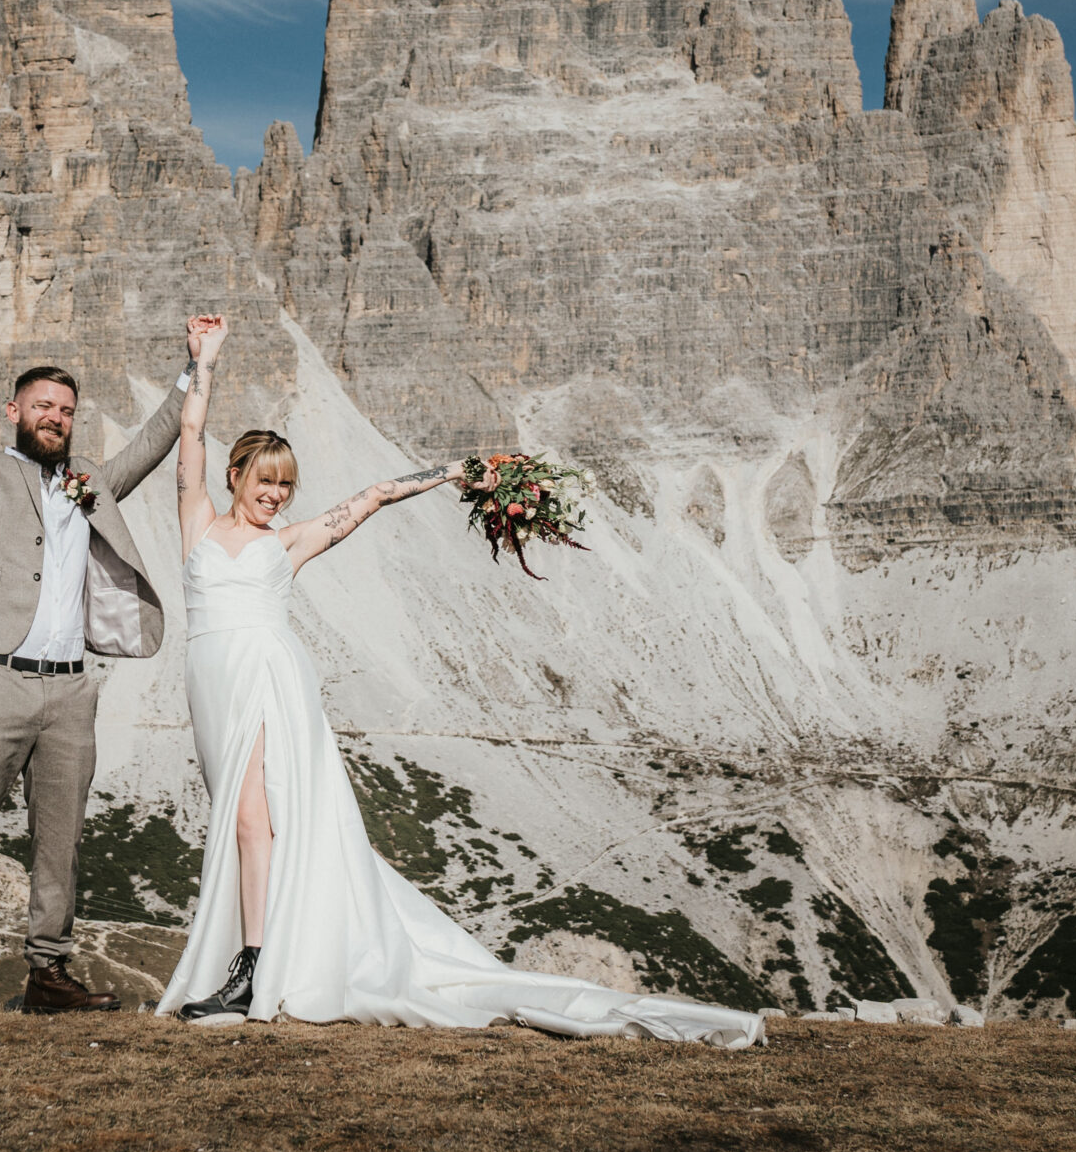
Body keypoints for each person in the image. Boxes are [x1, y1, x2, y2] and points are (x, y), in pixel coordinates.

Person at [156, 315, 764, 1045]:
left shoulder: (286, 543)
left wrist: (451, 474)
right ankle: (254, 952)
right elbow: (188, 438)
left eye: (286, 485)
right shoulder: (195, 520)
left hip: (265, 676)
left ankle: (255, 965)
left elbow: (372, 498)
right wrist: (206, 360)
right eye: (265, 481)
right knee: (239, 818)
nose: (277, 495)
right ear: (235, 476)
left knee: (258, 820)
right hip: (208, 680)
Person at [0, 292, 213, 1022]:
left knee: (61, 839)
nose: (55, 417)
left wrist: (193, 367)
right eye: (42, 406)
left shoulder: (92, 483)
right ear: (14, 412)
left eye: (65, 409)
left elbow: (154, 443)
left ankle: (49, 971)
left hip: (69, 693)